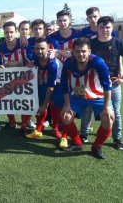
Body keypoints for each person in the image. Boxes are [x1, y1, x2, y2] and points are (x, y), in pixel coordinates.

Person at [85, 16, 123, 150]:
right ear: (97, 28)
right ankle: (83, 134)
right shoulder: (90, 43)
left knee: (116, 112)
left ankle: (117, 138)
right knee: (88, 109)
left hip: (113, 84)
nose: (104, 30)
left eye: (107, 27)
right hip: (93, 84)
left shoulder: (119, 43)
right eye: (101, 27)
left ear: (112, 28)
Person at [60, 37, 114, 159]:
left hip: (97, 96)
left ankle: (96, 147)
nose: (81, 54)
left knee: (108, 119)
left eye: (84, 51)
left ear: (89, 51)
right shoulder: (68, 63)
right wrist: (67, 104)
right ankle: (77, 143)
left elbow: (107, 85)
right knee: (65, 117)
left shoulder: (98, 62)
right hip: (78, 96)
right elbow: (64, 85)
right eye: (77, 51)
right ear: (73, 52)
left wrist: (106, 107)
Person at [49, 10, 82, 148]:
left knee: (72, 105)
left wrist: (60, 52)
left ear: (69, 21)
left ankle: (66, 133)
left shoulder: (78, 34)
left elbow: (77, 53)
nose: (62, 23)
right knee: (57, 104)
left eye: (65, 20)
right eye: (60, 20)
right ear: (57, 22)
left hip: (76, 76)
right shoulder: (52, 37)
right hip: (58, 76)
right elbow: (50, 52)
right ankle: (56, 128)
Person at [0, 21, 29, 132]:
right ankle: (12, 122)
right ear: (3, 33)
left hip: (24, 79)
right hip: (8, 80)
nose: (9, 35)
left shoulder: (23, 43)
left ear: (15, 32)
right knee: (8, 100)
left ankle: (24, 124)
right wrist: (0, 67)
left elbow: (30, 60)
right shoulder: (0, 48)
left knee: (25, 101)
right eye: (6, 32)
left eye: (11, 32)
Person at [26, 38, 57, 139]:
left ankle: (57, 129)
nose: (39, 51)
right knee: (38, 105)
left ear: (48, 48)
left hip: (58, 84)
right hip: (42, 83)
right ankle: (39, 129)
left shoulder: (52, 64)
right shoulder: (34, 58)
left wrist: (45, 104)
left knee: (55, 106)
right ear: (34, 49)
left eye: (42, 49)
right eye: (37, 49)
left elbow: (51, 87)